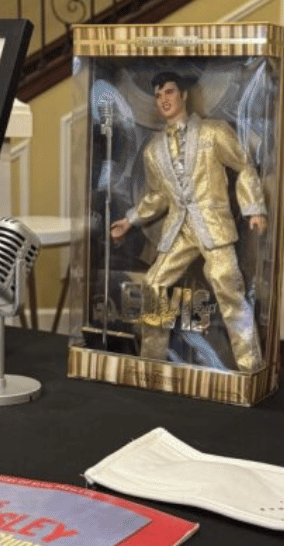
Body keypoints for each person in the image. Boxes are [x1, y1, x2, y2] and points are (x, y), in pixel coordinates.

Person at [110, 72, 267, 372]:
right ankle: (152, 362)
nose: (163, 100)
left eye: (169, 92)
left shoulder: (213, 131)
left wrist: (254, 209)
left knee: (229, 289)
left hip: (213, 227)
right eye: (158, 96)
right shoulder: (154, 150)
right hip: (178, 230)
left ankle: (250, 367)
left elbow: (243, 164)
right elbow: (157, 196)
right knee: (153, 285)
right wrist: (129, 220)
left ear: (183, 95)